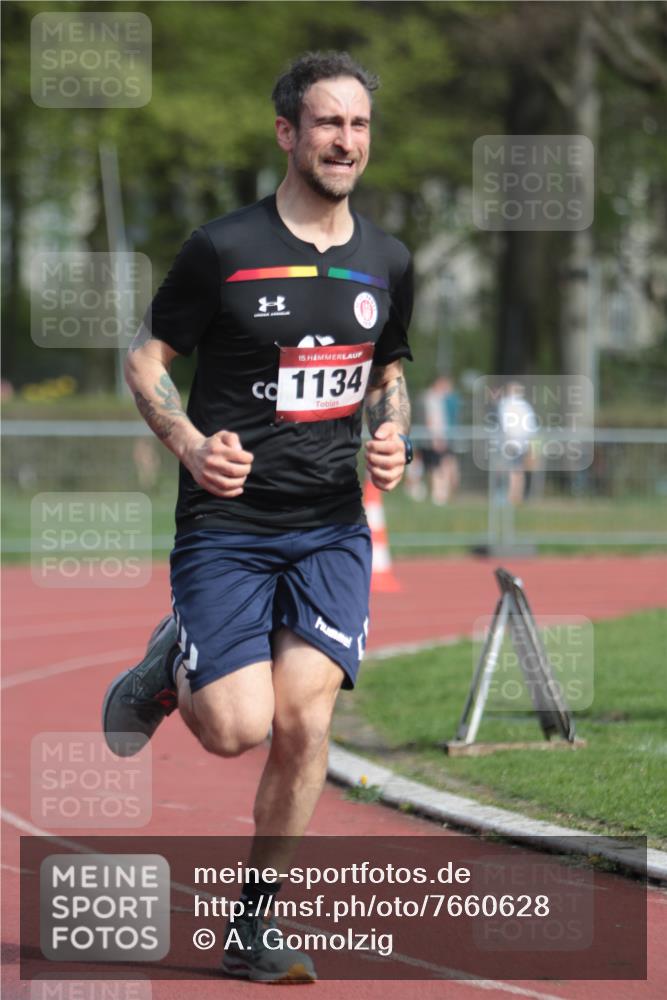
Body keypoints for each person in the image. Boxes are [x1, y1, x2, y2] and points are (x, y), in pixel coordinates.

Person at [102, 50, 414, 983]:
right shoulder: (222, 249)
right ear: (287, 133)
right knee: (235, 727)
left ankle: (253, 924)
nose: (344, 141)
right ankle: (170, 663)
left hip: (329, 527)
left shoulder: (388, 259)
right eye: (326, 123)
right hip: (227, 528)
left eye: (357, 125)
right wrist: (191, 443)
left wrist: (390, 435)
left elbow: (386, 371)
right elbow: (145, 359)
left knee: (304, 724)